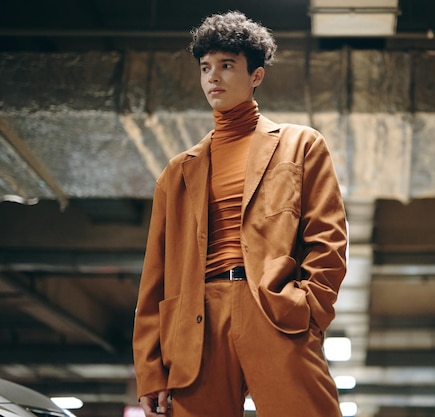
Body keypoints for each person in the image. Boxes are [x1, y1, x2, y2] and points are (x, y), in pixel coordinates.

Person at [132, 10, 348, 417]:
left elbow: (329, 238)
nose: (213, 77)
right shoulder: (178, 171)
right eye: (205, 67)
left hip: (275, 310)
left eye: (227, 65)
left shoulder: (300, 145)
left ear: (256, 76)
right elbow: (154, 276)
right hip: (197, 325)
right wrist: (150, 369)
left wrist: (310, 310)